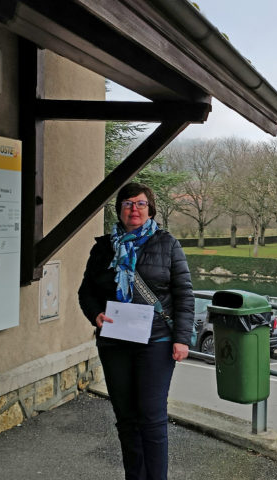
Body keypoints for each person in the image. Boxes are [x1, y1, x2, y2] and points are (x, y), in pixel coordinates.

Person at [78, 182, 194, 480]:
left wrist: (182, 338)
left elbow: (184, 294)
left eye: (140, 203)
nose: (134, 209)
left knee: (152, 418)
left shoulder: (167, 243)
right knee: (126, 418)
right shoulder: (103, 247)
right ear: (119, 209)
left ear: (150, 208)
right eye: (128, 203)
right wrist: (96, 315)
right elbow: (86, 292)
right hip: (115, 341)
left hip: (156, 341)